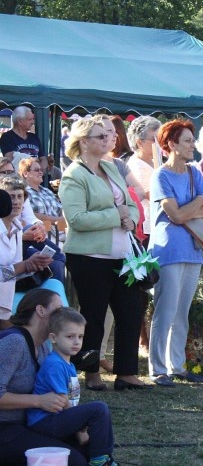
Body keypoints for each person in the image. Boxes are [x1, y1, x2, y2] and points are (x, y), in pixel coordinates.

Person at [59, 116, 149, 391]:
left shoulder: (110, 168)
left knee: (132, 310)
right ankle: (91, 373)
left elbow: (130, 202)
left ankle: (126, 373)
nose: (107, 140)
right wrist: (115, 216)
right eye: (100, 136)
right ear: (84, 142)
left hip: (121, 255)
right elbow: (76, 218)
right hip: (89, 258)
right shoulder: (74, 175)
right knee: (94, 316)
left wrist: (130, 219)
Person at [148, 119, 203, 387]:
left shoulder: (193, 172)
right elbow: (174, 216)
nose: (192, 145)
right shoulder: (161, 176)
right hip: (168, 250)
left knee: (182, 312)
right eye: (187, 141)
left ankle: (177, 365)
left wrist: (192, 206)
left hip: (192, 248)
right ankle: (158, 368)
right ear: (172, 144)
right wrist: (197, 202)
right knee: (165, 311)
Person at [0, 289, 101, 465]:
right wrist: (38, 401)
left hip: (32, 424)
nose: (64, 315)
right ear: (40, 311)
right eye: (59, 309)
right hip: (5, 428)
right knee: (73, 461)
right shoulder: (14, 342)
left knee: (89, 448)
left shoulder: (45, 347)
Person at [27, 307, 117, 465]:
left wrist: (81, 427)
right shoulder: (54, 364)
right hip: (44, 422)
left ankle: (101, 457)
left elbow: (72, 402)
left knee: (89, 443)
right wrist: (80, 430)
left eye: (80, 336)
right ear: (53, 338)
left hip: (57, 419)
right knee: (99, 409)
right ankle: (100, 460)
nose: (77, 342)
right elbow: (63, 402)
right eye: (70, 336)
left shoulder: (68, 365)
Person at [0, 187, 54, 327]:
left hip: (5, 303)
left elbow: (13, 272)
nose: (16, 202)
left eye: (20, 197)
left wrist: (32, 265)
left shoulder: (17, 230)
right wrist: (24, 265)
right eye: (11, 197)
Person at [126, 115, 162, 241]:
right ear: (140, 142)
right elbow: (152, 194)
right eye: (154, 139)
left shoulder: (154, 161)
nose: (159, 143)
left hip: (160, 222)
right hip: (148, 226)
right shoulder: (136, 165)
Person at [0, 106, 47, 171]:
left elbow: (43, 159)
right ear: (20, 121)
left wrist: (38, 170)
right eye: (30, 119)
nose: (33, 122)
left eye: (33, 119)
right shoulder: (7, 137)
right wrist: (34, 163)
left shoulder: (34, 137)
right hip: (19, 179)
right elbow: (11, 158)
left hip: (35, 179)